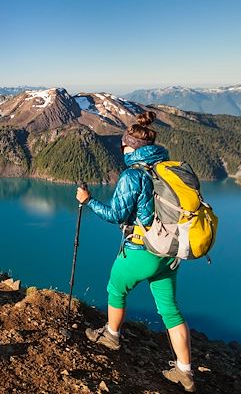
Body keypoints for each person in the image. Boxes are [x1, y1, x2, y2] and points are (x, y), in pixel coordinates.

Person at [75, 111, 196, 392]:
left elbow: (116, 214)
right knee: (170, 310)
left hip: (142, 249)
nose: (122, 151)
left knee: (116, 288)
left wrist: (88, 200)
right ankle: (185, 371)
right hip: (170, 252)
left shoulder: (133, 175)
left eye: (123, 146)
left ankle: (112, 336)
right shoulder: (166, 167)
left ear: (130, 147)